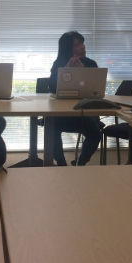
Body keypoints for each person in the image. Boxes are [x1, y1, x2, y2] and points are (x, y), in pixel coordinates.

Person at [48, 31, 103, 166]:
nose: (83, 47)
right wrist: (66, 71)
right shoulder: (59, 64)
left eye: (82, 43)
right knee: (51, 128)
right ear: (68, 49)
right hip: (60, 113)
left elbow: (96, 91)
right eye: (77, 45)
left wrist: (83, 73)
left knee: (95, 132)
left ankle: (81, 163)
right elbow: (52, 88)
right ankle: (61, 163)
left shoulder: (91, 64)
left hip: (84, 112)